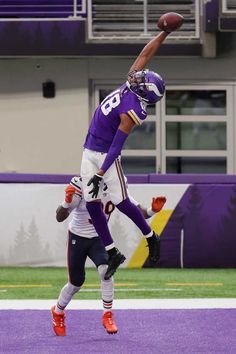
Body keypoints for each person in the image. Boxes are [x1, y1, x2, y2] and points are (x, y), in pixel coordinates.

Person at [81, 30, 171, 280]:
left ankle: (151, 236)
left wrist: (101, 173)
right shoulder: (134, 85)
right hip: (88, 149)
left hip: (105, 157)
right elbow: (145, 53)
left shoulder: (131, 113)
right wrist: (164, 33)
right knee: (91, 204)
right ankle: (112, 252)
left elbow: (116, 146)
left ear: (144, 94)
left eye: (141, 80)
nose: (136, 77)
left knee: (121, 202)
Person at [51, 176, 166, 336]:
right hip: (77, 236)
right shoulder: (80, 182)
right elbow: (59, 217)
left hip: (100, 237)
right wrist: (66, 202)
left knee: (106, 270)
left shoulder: (115, 183)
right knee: (75, 283)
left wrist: (152, 210)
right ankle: (58, 312)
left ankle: (108, 314)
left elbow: (137, 211)